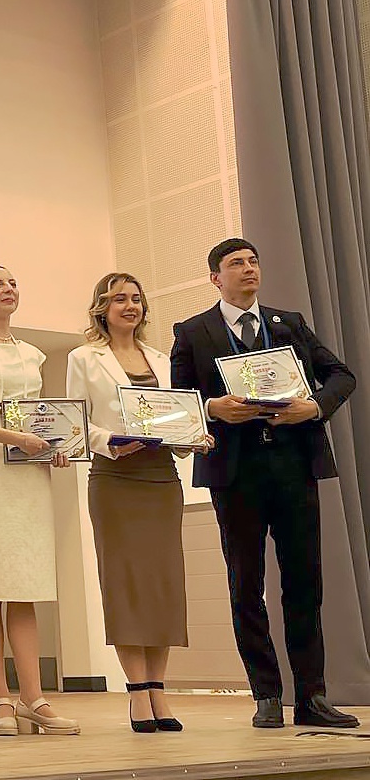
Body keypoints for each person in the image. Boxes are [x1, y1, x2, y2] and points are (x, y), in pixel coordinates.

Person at [170, 238, 358, 729]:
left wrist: (312, 407)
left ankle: (312, 696)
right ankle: (267, 694)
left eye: (254, 261)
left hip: (294, 466)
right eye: (237, 263)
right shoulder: (192, 332)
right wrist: (212, 407)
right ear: (216, 278)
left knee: (304, 582)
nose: (249, 268)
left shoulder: (288, 323)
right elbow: (177, 400)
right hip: (236, 473)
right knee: (245, 583)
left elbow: (342, 375)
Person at [66, 272, 211, 733]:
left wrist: (193, 436)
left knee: (161, 584)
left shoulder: (163, 359)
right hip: (115, 478)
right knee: (125, 584)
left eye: (136, 299)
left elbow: (175, 416)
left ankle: (159, 689)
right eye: (119, 299)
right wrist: (109, 441)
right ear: (102, 308)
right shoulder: (82, 358)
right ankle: (137, 692)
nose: (130, 306)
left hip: (160, 477)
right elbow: (76, 421)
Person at [0, 265, 79, 736]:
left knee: (25, 585)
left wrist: (55, 449)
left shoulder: (33, 354)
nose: (8, 289)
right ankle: (0, 699)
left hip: (28, 476)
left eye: (13, 283)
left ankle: (34, 699)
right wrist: (17, 438)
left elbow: (43, 420)